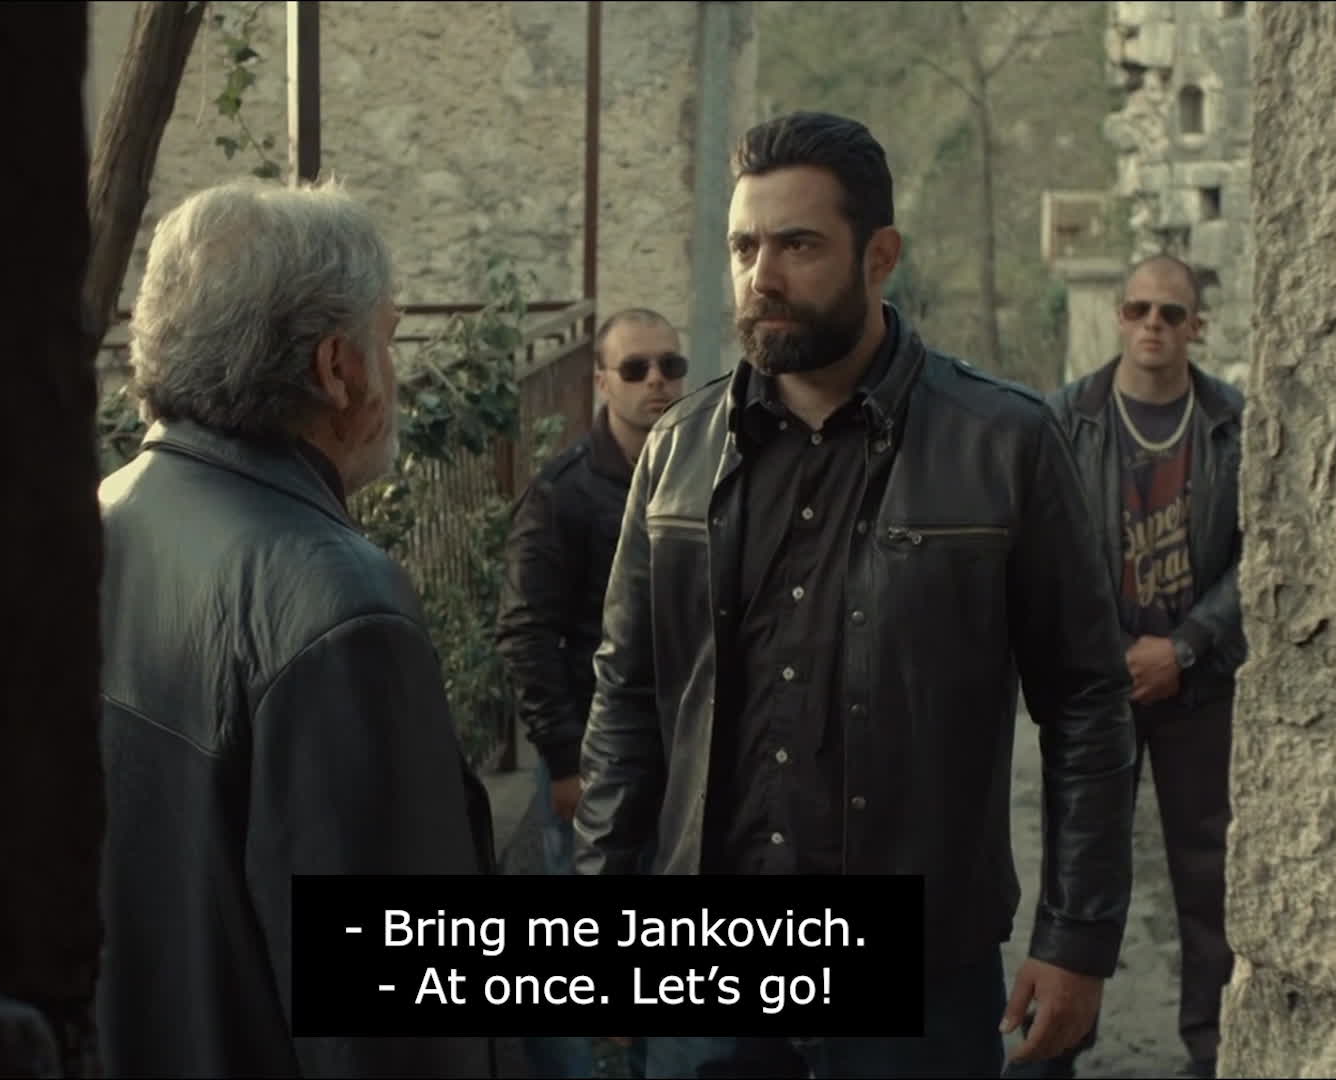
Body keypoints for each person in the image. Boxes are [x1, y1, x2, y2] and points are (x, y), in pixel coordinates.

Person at [570, 111, 1139, 1079]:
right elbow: (627, 701)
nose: (762, 276)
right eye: (745, 247)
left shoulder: (1003, 442)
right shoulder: (677, 452)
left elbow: (1087, 700)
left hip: (919, 970)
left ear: (880, 257)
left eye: (797, 245)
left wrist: (1078, 938)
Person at [95, 179, 495, 1078]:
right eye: (387, 339)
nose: (395, 373)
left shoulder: (104, 515)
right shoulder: (341, 607)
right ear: (338, 369)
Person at [1028, 254, 1245, 1080]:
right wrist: (1105, 654)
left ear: (1197, 327)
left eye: (1171, 313)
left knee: (1210, 878)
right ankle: (1053, 1047)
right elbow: (1046, 551)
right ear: (1119, 317)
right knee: (1078, 871)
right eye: (1139, 309)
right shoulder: (1066, 419)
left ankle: (1214, 1053)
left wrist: (1184, 645)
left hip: (1199, 683)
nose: (1153, 324)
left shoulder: (1233, 423)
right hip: (1097, 691)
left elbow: (1262, 551)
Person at [494, 307, 689, 1079]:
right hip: (595, 756)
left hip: (685, 752)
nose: (657, 382)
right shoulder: (562, 493)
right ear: (602, 381)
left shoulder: (704, 471)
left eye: (670, 365)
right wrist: (566, 758)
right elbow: (526, 630)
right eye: (636, 368)